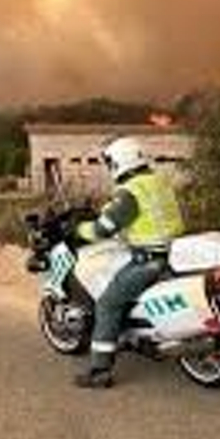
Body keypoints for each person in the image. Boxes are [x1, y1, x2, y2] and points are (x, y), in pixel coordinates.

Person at [72, 136, 187, 389]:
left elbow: (104, 228)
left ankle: (99, 371)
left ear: (119, 162)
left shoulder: (130, 192)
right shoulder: (158, 182)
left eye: (110, 162)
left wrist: (79, 229)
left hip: (148, 261)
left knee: (108, 304)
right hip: (176, 255)